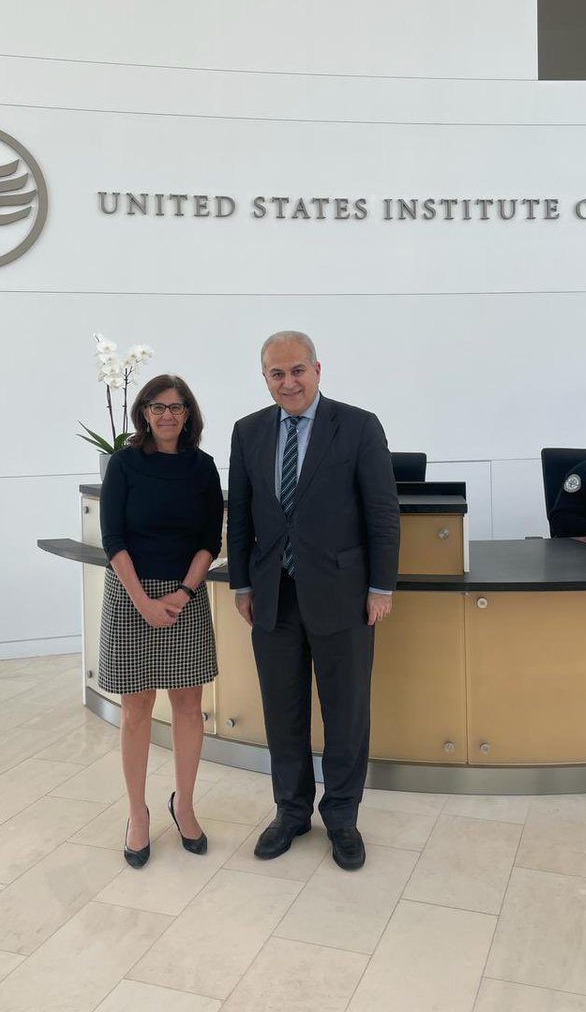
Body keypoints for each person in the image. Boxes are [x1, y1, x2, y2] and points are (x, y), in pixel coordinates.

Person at [227, 330, 400, 871]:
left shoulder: (357, 425)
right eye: (277, 374)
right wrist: (241, 583)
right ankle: (292, 810)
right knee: (283, 711)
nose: (288, 382)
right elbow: (243, 512)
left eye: (297, 370)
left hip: (344, 595)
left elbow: (382, 513)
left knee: (346, 712)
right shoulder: (249, 431)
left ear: (318, 370)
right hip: (273, 596)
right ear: (266, 379)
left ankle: (343, 818)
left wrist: (381, 587)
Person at [99, 374, 223, 867]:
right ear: (143, 413)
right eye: (157, 406)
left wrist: (183, 592)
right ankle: (138, 815)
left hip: (184, 593)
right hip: (131, 593)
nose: (167, 415)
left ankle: (185, 805)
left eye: (176, 407)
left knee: (189, 707)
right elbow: (114, 540)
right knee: (137, 710)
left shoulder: (203, 467)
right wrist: (144, 601)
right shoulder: (125, 464)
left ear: (188, 413)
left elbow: (210, 539)